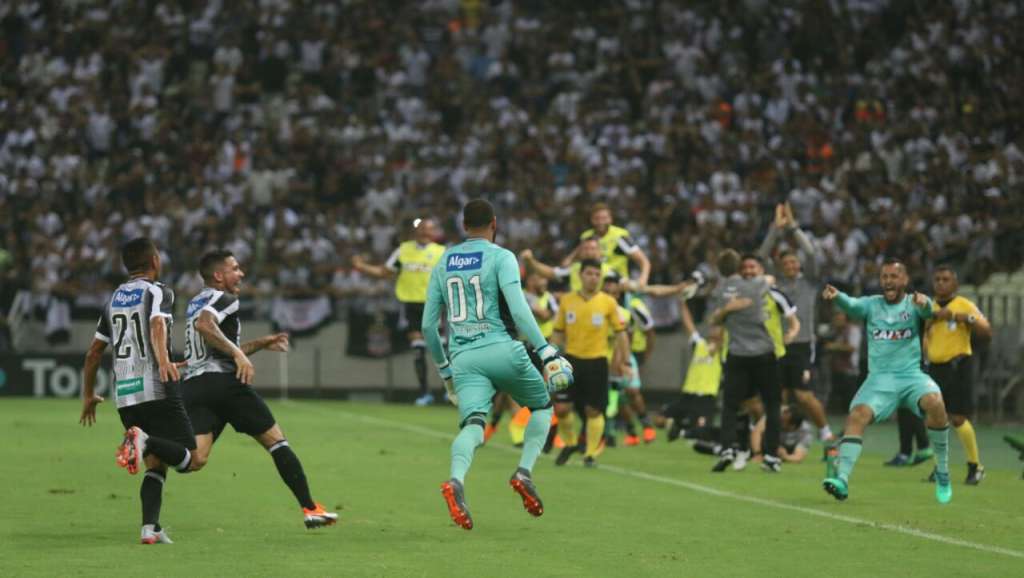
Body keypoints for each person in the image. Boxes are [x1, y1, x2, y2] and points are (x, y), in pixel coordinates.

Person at [422, 199, 573, 531]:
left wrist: (445, 372)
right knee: (542, 406)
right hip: (502, 349)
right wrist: (546, 351)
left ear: (463, 226)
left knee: (473, 425)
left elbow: (428, 327)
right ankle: (524, 472)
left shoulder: (444, 260)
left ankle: (456, 480)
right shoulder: (502, 257)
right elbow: (519, 310)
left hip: (463, 359)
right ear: (494, 223)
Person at [181, 250, 337, 529]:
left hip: (195, 385)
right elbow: (207, 328)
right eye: (235, 268)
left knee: (195, 459)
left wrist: (261, 343)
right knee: (277, 441)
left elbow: (219, 347)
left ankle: (147, 443)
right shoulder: (224, 298)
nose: (241, 274)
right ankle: (311, 508)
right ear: (219, 275)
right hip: (224, 385)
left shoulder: (195, 302)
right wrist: (240, 357)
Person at [80, 237, 201, 545]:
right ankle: (142, 439)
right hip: (156, 384)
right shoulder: (159, 291)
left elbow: (93, 352)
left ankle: (150, 528)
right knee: (192, 457)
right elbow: (158, 326)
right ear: (154, 261)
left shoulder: (112, 300)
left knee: (155, 463)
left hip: (124, 393)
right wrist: (164, 362)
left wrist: (88, 395)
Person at [822, 259, 953, 503]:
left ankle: (943, 471)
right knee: (857, 415)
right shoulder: (872, 305)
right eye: (884, 277)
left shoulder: (915, 303)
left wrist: (926, 305)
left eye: (894, 276)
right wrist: (838, 296)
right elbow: (852, 306)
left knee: (935, 402)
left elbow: (929, 312)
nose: (888, 281)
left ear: (904, 280)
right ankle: (842, 479)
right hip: (879, 380)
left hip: (911, 376)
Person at [758, 203, 833, 441]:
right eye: (787, 263)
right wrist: (774, 230)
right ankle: (777, 436)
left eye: (794, 262)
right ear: (780, 266)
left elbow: (810, 252)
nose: (791, 265)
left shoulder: (809, 281)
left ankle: (826, 432)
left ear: (799, 265)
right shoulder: (775, 283)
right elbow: (759, 258)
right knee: (775, 394)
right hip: (776, 345)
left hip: (801, 344)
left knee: (803, 395)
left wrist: (792, 227)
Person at [352, 218, 446, 405]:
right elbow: (384, 272)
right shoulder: (403, 250)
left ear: (434, 232)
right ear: (416, 232)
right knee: (418, 350)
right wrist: (362, 267)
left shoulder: (441, 252)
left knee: (441, 350)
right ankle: (424, 393)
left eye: (429, 230)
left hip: (433, 305)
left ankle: (448, 390)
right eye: (422, 229)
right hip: (410, 305)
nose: (425, 233)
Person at [709, 249, 786, 473]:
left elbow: (714, 320)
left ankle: (727, 449)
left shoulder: (720, 290)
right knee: (772, 405)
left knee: (730, 406)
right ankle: (771, 456)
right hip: (763, 353)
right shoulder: (756, 285)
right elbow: (771, 278)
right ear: (740, 268)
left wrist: (725, 310)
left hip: (737, 355)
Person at [550, 259, 630, 468]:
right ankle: (569, 443)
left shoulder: (608, 302)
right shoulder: (567, 300)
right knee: (561, 408)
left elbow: (621, 334)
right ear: (581, 275)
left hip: (597, 362)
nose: (593, 277)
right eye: (589, 273)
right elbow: (558, 332)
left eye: (597, 274)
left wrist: (626, 361)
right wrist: (549, 359)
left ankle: (590, 454)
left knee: (593, 411)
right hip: (571, 360)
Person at [923, 265, 992, 484]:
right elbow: (924, 336)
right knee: (935, 419)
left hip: (959, 365)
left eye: (945, 279)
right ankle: (940, 468)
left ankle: (975, 466)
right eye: (937, 280)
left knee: (958, 417)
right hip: (935, 367)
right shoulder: (929, 308)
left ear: (955, 284)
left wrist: (960, 317)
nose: (941, 283)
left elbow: (986, 330)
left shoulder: (964, 304)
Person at [571, 202, 651, 287]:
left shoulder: (620, 236)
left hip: (618, 284)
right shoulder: (586, 236)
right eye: (597, 218)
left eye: (604, 218)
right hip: (594, 285)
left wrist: (643, 279)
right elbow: (574, 259)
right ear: (591, 220)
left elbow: (644, 261)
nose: (600, 222)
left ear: (611, 219)